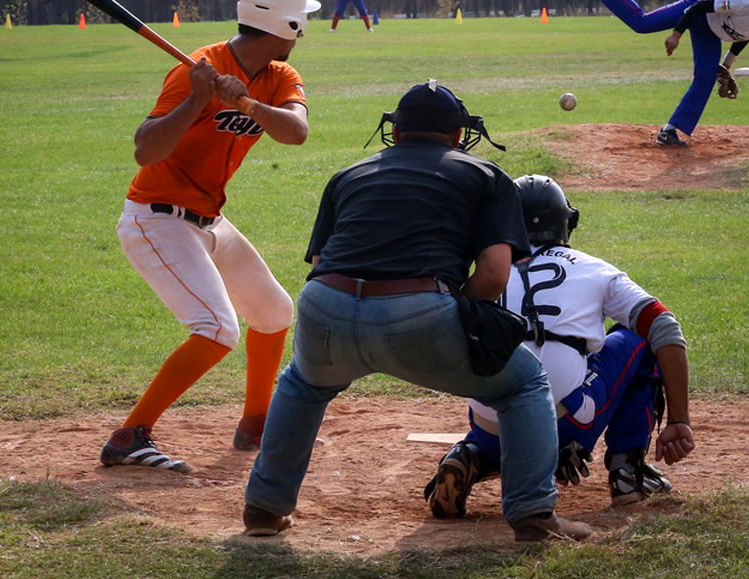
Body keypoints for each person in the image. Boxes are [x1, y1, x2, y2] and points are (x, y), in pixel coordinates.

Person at [242, 81, 593, 543]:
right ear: (457, 136)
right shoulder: (487, 175)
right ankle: (534, 516)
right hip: (418, 310)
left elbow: (320, 265)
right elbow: (493, 274)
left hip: (323, 305)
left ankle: (265, 509)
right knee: (524, 383)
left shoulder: (349, 174)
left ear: (396, 132)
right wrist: (453, 311)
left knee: (302, 383)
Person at [99, 0, 321, 473]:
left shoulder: (278, 76)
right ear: (286, 25)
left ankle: (256, 424)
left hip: (208, 220)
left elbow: (296, 132)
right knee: (217, 329)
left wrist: (244, 101)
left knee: (274, 312)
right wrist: (200, 99)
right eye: (299, 21)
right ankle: (130, 436)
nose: (303, 32)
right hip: (156, 220)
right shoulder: (195, 69)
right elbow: (144, 149)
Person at [423, 174, 695, 517]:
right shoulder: (594, 269)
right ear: (567, 223)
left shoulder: (486, 271)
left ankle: (473, 453)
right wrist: (679, 420)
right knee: (639, 335)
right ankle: (627, 473)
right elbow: (664, 326)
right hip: (567, 421)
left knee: (497, 373)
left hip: (488, 422)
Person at [572, 0, 749, 147]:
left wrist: (726, 65)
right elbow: (699, 8)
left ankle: (669, 132)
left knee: (706, 78)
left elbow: (745, 37)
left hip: (711, 31)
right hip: (697, 8)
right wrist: (676, 34)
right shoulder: (745, 2)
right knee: (642, 24)